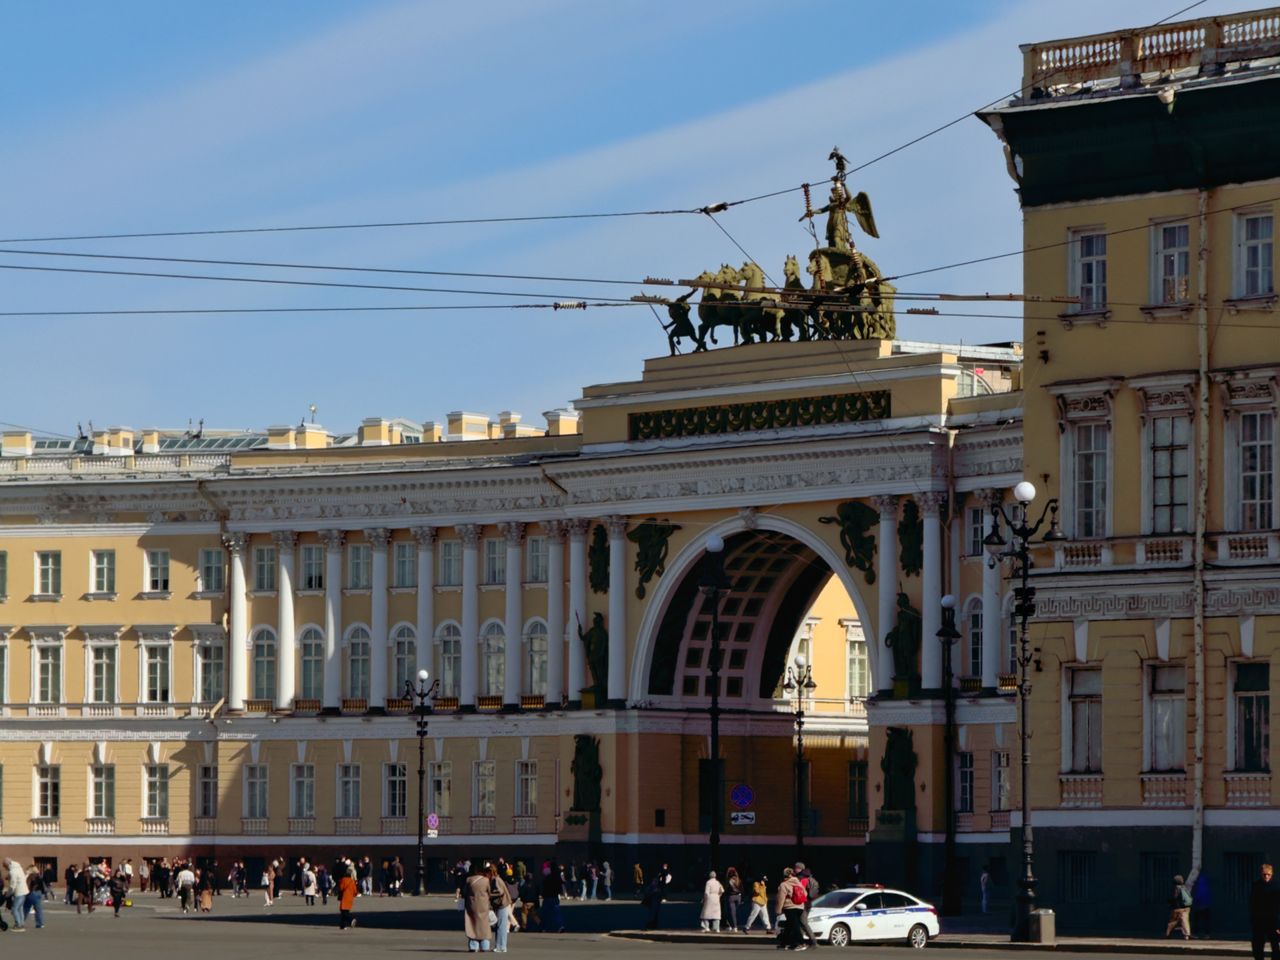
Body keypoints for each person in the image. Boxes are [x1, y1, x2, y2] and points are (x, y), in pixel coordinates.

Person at [1251, 863, 1280, 960]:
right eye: (1264, 874)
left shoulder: (1276, 887)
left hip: (1273, 921)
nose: (1266, 876)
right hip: (1259, 921)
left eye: (1268, 874)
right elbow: (1252, 904)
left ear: (1272, 874)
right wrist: (1253, 920)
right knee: (1257, 946)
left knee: (1275, 946)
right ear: (1261, 874)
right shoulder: (1256, 886)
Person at [465, 862, 494, 952]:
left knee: (472, 924)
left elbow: (465, 891)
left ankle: (473, 946)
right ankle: (484, 946)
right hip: (483, 905)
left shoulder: (469, 879)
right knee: (484, 925)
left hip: (472, 905)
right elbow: (489, 891)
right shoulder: (485, 880)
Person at [775, 867, 806, 951]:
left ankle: (801, 943)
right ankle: (784, 944)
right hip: (800, 907)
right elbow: (805, 894)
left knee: (795, 926)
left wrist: (778, 910)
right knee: (789, 926)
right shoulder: (798, 882)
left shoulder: (783, 884)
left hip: (789, 907)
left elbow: (781, 898)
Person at [490, 863, 514, 953]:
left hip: (502, 905)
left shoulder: (496, 880)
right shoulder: (498, 879)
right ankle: (501, 946)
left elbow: (500, 892)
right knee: (501, 926)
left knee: (500, 927)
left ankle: (500, 947)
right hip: (503, 904)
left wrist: (489, 895)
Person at [1164, 873, 1192, 940]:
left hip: (1177, 908)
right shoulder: (1185, 888)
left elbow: (1174, 897)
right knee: (1185, 921)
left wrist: (1169, 902)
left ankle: (1167, 934)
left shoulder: (1176, 888)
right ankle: (1187, 935)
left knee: (1172, 922)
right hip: (1186, 908)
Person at [4, 858, 29, 930]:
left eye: (5, 867)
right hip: (24, 891)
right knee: (20, 908)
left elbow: (13, 885)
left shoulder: (13, 871)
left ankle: (18, 925)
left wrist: (8, 894)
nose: (5, 869)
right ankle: (21, 923)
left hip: (19, 892)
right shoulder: (18, 867)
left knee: (14, 909)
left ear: (7, 865)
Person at [541, 861, 565, 934]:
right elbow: (561, 885)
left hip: (548, 897)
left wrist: (543, 894)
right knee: (557, 913)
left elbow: (544, 887)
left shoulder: (547, 877)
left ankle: (543, 927)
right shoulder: (557, 877)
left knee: (545, 913)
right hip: (555, 896)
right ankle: (560, 926)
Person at [337, 862, 358, 930]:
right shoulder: (352, 881)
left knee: (344, 912)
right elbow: (355, 891)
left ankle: (350, 920)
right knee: (346, 911)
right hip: (350, 898)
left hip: (344, 897)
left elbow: (341, 888)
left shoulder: (343, 880)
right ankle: (342, 925)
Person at [1192, 870, 1212, 939]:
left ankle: (1195, 934)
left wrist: (1195, 903)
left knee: (1197, 921)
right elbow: (1209, 896)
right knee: (1206, 921)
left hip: (1199, 906)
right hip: (1206, 906)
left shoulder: (1198, 887)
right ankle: (1207, 934)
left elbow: (1197, 896)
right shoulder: (1206, 887)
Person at [725, 867, 743, 932]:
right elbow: (742, 889)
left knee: (732, 913)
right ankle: (734, 925)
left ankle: (734, 927)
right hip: (738, 897)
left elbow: (726, 889)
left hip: (731, 897)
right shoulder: (738, 880)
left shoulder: (729, 880)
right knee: (736, 912)